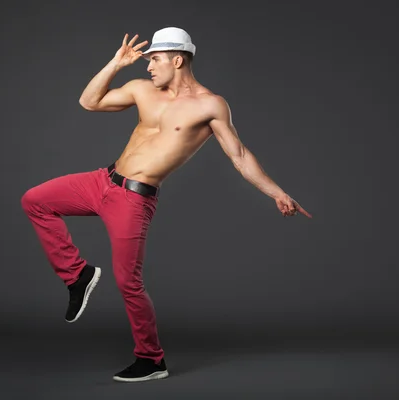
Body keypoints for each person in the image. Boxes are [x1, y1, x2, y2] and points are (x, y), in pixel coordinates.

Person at [21, 27, 312, 383]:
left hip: (133, 198)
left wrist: (276, 192)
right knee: (35, 200)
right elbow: (89, 102)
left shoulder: (210, 105)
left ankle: (151, 359)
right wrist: (115, 63)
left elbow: (238, 155)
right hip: (101, 181)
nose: (148, 68)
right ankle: (77, 274)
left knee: (128, 281)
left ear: (178, 60)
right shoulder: (143, 90)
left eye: (154, 59)